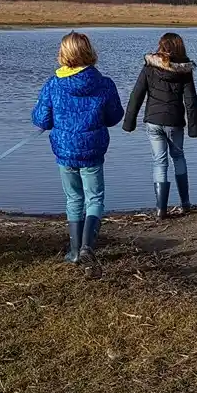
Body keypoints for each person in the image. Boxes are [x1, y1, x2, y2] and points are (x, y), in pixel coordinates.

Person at [31, 31, 124, 278]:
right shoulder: (104, 83)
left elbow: (41, 119)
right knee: (94, 198)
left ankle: (74, 252)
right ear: (89, 52)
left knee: (74, 199)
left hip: (65, 150)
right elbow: (115, 117)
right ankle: (86, 248)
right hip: (92, 149)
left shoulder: (53, 84)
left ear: (63, 54)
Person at [122, 31, 197, 219]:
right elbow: (191, 101)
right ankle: (185, 203)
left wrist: (129, 123)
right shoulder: (184, 71)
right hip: (174, 122)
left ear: (161, 47)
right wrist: (194, 128)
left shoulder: (149, 67)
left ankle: (161, 209)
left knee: (159, 162)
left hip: (153, 121)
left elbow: (136, 95)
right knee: (178, 157)